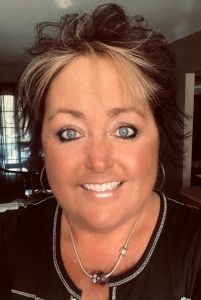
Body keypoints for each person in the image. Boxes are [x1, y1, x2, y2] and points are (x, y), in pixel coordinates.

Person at [0, 3, 201, 300]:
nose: (98, 161)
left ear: (159, 138)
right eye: (69, 133)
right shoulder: (9, 238)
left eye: (124, 130)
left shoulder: (195, 248)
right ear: (42, 146)